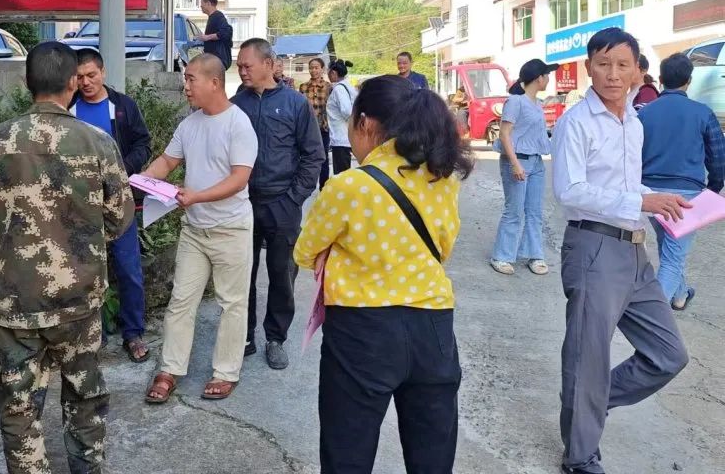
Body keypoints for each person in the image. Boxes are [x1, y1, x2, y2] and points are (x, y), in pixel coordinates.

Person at [0, 42, 133, 474]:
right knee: (85, 396)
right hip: (79, 300)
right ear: (73, 82)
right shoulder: (98, 142)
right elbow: (118, 218)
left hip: (14, 302)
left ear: (26, 82)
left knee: (18, 405)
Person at [294, 75, 473, 473]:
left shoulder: (348, 186)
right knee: (432, 460)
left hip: (362, 332)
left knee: (348, 456)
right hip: (433, 329)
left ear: (365, 124)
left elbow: (305, 251)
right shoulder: (441, 179)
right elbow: (444, 248)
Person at [551, 27, 691, 474]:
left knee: (668, 354)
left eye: (622, 65)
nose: (612, 74)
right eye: (603, 64)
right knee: (588, 356)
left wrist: (660, 201)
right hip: (593, 246)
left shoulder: (634, 121)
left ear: (636, 72)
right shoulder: (577, 122)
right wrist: (640, 202)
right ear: (588, 68)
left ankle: (586, 402)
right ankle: (580, 455)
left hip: (634, 251)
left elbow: (626, 186)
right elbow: (569, 190)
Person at [142, 54, 258, 404]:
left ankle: (225, 373)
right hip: (195, 230)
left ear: (215, 83)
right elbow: (167, 161)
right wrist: (142, 180)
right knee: (181, 300)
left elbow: (239, 179)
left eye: (191, 79)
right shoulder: (190, 124)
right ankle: (170, 369)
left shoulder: (238, 124)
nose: (186, 86)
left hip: (231, 229)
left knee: (232, 304)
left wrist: (197, 196)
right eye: (185, 79)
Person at [231, 38, 325, 370]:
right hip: (242, 203)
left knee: (282, 273)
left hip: (282, 204)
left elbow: (313, 155)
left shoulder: (295, 104)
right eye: (239, 66)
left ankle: (275, 337)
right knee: (242, 273)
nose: (242, 71)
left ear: (269, 65)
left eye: (247, 66)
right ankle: (244, 336)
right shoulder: (235, 105)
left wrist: (294, 197)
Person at [70, 47, 152, 362]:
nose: (86, 82)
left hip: (119, 200)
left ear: (103, 73)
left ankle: (134, 334)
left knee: (128, 268)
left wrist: (122, 170)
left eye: (91, 75)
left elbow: (143, 143)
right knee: (85, 271)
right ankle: (95, 334)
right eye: (80, 77)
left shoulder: (122, 106)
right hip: (80, 204)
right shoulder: (69, 108)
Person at [639, 52, 725, 311]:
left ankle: (680, 295)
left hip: (649, 194)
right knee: (673, 257)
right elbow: (718, 156)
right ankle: (653, 316)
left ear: (661, 79)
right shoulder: (703, 113)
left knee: (669, 247)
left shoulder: (643, 114)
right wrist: (714, 188)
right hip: (686, 194)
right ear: (689, 80)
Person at [489, 58, 557, 277]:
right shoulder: (515, 102)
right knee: (514, 211)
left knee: (534, 212)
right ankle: (501, 256)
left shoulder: (537, 103)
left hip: (536, 161)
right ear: (539, 78)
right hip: (517, 160)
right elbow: (505, 134)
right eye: (547, 75)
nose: (548, 79)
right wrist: (516, 164)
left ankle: (534, 254)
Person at [299, 58, 333, 189]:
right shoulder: (303, 87)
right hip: (307, 129)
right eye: (311, 67)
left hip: (323, 128)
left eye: (316, 67)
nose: (313, 70)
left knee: (323, 158)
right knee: (307, 158)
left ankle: (323, 188)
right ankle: (305, 187)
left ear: (322, 69)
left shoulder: (328, 87)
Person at [326, 58, 356, 175]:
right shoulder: (348, 86)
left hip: (341, 138)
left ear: (333, 73)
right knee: (345, 173)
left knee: (341, 174)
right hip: (347, 136)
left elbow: (347, 111)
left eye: (328, 72)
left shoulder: (339, 89)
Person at [197, 0, 234, 70]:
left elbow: (226, 32)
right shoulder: (213, 17)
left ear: (208, 3)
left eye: (202, 4)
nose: (201, 6)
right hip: (214, 61)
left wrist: (207, 37)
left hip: (218, 61)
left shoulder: (218, 16)